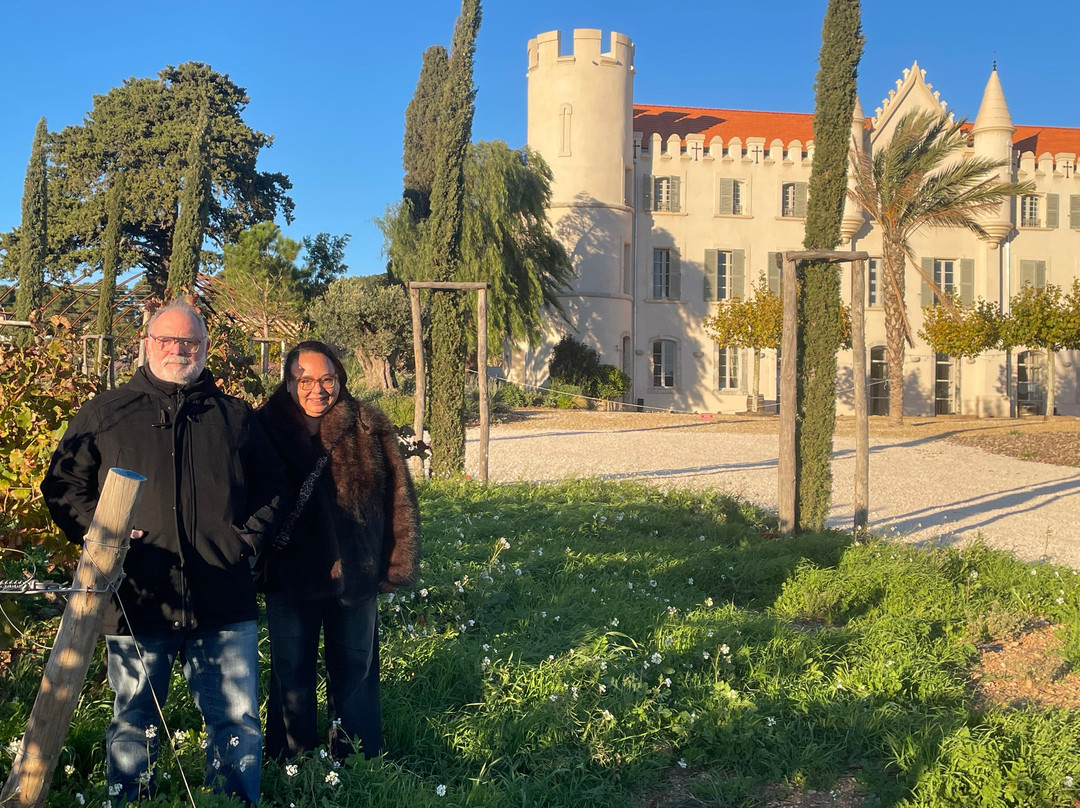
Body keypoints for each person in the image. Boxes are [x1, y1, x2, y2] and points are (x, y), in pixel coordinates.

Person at [42, 298, 287, 805]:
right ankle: (129, 799)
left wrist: (243, 539)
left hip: (222, 594)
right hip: (137, 596)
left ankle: (233, 801)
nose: (179, 350)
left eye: (190, 342)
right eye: (168, 340)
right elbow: (64, 484)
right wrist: (101, 533)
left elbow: (275, 485)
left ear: (203, 347)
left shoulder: (233, 416)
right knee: (133, 720)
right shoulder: (107, 412)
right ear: (147, 344)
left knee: (236, 719)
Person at [257, 340, 419, 762]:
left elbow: (399, 498)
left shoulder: (368, 425)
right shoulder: (263, 429)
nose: (317, 389)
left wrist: (395, 564)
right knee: (290, 677)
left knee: (355, 677)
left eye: (327, 379)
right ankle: (291, 765)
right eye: (305, 379)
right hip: (289, 580)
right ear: (289, 382)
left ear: (340, 379)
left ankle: (359, 764)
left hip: (356, 575)